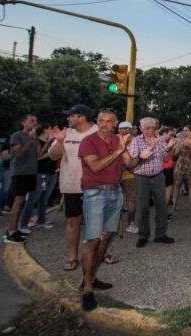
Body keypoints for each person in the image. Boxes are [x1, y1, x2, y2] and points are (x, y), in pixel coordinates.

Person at [77, 109, 130, 312]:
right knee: (93, 240)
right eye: (101, 120)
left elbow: (130, 163)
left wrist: (144, 155)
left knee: (107, 237)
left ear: (115, 123)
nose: (104, 124)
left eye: (108, 121)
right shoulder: (88, 141)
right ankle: (87, 289)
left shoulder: (118, 141)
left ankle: (91, 277)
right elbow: (95, 166)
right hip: (95, 193)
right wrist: (119, 151)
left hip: (115, 192)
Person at [49, 104, 98, 271]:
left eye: (71, 115)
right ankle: (72, 257)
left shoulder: (99, 132)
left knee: (97, 222)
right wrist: (60, 141)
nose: (68, 118)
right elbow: (53, 155)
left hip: (95, 185)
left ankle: (101, 253)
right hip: (72, 185)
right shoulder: (66, 133)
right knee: (73, 221)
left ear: (82, 118)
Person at [125, 117, 175, 248]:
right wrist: (149, 150)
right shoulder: (136, 141)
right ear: (141, 128)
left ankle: (161, 234)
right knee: (142, 208)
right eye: (147, 128)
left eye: (153, 128)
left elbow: (166, 158)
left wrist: (168, 150)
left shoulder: (160, 139)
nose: (150, 130)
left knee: (161, 206)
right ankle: (143, 236)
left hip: (158, 176)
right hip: (141, 177)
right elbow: (132, 161)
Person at [4, 114, 40, 245]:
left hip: (31, 172)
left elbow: (38, 155)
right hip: (20, 172)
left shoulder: (34, 138)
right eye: (31, 120)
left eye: (35, 121)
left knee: (23, 201)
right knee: (18, 201)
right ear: (23, 122)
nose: (34, 123)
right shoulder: (17, 136)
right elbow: (18, 154)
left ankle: (16, 228)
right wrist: (30, 140)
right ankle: (11, 231)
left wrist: (48, 142)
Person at [19, 124, 57, 232]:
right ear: (45, 130)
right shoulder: (37, 142)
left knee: (44, 198)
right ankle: (24, 224)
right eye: (50, 128)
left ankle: (41, 220)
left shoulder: (51, 142)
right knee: (33, 198)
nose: (51, 130)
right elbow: (37, 157)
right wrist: (49, 154)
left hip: (51, 172)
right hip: (40, 173)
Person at [171, 125, 191, 215]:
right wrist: (177, 148)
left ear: (190, 131)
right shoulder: (180, 140)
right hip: (180, 164)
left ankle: (190, 205)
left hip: (190, 164)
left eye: (186, 130)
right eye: (183, 130)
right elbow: (175, 154)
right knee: (177, 185)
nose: (184, 132)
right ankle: (174, 205)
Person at [118, 121, 138, 234]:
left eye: (126, 128)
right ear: (118, 129)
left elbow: (138, 157)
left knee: (131, 200)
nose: (124, 130)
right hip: (115, 175)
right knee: (114, 200)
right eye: (122, 128)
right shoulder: (113, 139)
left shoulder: (136, 141)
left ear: (131, 130)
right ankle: (113, 225)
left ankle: (131, 223)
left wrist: (131, 167)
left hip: (130, 174)